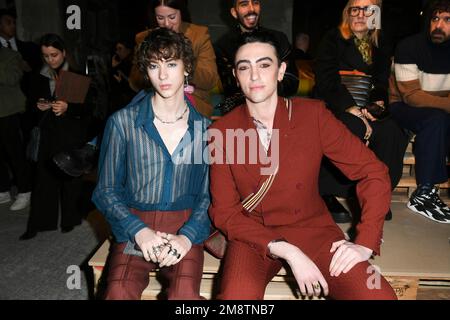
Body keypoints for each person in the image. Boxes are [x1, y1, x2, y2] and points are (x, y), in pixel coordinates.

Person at [208, 31, 397, 300]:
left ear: (281, 70)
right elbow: (224, 213)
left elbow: (374, 172)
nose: (254, 76)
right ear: (236, 77)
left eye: (264, 65)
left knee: (379, 296)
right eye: (244, 67)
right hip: (252, 235)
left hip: (314, 230)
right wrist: (289, 251)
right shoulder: (223, 131)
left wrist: (365, 242)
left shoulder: (313, 115)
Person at [92, 28, 211, 300]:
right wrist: (139, 231)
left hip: (184, 225)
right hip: (135, 224)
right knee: (118, 292)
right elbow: (106, 190)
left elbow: (208, 196)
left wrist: (187, 235)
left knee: (184, 297)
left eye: (171, 64)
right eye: (154, 66)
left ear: (187, 67)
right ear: (146, 71)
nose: (163, 75)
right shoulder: (122, 122)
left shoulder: (206, 130)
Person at [54, 0, 220, 177]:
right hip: (155, 97)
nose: (166, 23)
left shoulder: (198, 35)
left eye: (172, 17)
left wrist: (180, 62)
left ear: (182, 13)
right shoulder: (144, 37)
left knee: (137, 107)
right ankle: (95, 150)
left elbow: (210, 79)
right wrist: (152, 61)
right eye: (160, 18)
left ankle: (93, 147)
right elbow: (135, 82)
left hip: (191, 99)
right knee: (125, 115)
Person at [314, 0, 409, 222]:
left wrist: (377, 104)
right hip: (336, 102)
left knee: (391, 131)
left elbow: (380, 82)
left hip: (366, 104)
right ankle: (324, 192)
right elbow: (326, 80)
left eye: (368, 10)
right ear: (347, 12)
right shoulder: (332, 39)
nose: (360, 14)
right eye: (355, 9)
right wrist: (352, 108)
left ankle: (378, 194)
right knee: (350, 127)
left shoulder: (380, 42)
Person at [19, 34, 90, 240]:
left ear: (64, 53)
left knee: (70, 178)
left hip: (69, 134)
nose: (51, 60)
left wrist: (68, 107)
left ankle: (71, 219)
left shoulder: (75, 76)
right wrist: (39, 106)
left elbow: (87, 111)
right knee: (43, 179)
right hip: (48, 133)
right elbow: (30, 107)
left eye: (54, 55)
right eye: (46, 56)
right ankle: (39, 223)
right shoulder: (38, 75)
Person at [389, 0, 450, 223]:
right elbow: (411, 96)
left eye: (447, 20)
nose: (439, 25)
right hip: (402, 106)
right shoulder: (409, 46)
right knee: (437, 120)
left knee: (439, 118)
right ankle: (423, 194)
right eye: (435, 19)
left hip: (439, 109)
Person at [215, 0, 299, 114]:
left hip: (278, 111)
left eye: (255, 3)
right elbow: (230, 87)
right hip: (241, 115)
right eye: (244, 4)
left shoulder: (279, 39)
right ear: (234, 12)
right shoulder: (224, 45)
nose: (251, 9)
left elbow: (292, 82)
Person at [0, 45, 32, 211]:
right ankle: (3, 189)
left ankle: (25, 190)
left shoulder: (11, 55)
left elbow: (13, 78)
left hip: (7, 111)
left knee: (14, 152)